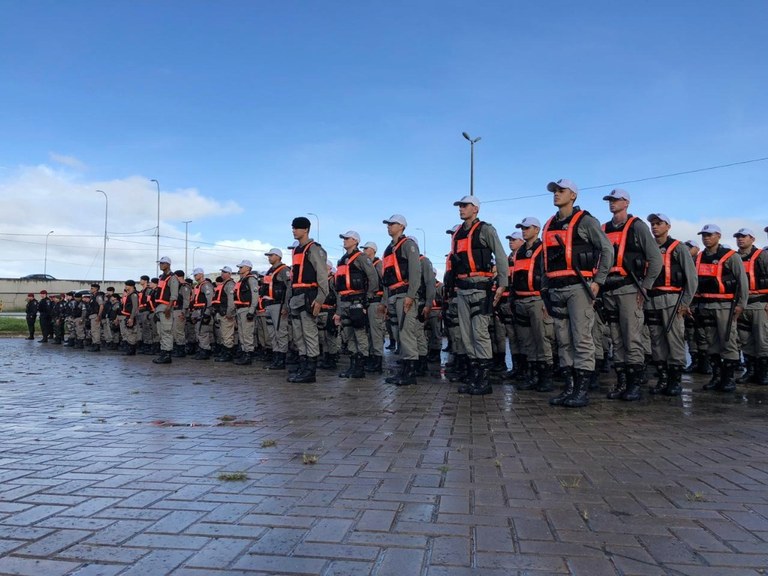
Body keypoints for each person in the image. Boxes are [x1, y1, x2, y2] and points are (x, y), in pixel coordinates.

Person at [541, 178, 614, 408]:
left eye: (561, 191)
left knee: (581, 339)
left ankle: (581, 390)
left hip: (579, 288)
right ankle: (569, 387)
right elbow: (545, 260)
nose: (556, 194)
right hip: (556, 288)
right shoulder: (549, 224)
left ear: (573, 195)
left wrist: (598, 281)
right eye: (554, 191)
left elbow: (606, 249)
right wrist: (545, 289)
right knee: (562, 340)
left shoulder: (586, 221)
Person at [600, 189, 663, 401]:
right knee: (616, 338)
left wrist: (645, 286)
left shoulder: (637, 226)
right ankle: (622, 382)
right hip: (609, 289)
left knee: (631, 337)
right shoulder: (603, 228)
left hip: (629, 288)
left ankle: (634, 384)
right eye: (610, 200)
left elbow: (656, 259)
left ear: (626, 202)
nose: (612, 204)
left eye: (616, 200)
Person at [449, 195, 509, 395]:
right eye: (460, 206)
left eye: (464, 206)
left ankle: (484, 380)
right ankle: (474, 375)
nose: (461, 209)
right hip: (462, 289)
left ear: (475, 209)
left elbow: (500, 256)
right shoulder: (457, 233)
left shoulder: (486, 230)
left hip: (481, 288)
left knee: (480, 334)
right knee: (466, 336)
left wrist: (502, 283)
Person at [645, 214, 698, 396]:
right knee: (656, 341)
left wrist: (685, 303)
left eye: (659, 223)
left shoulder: (678, 248)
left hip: (672, 300)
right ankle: (663, 378)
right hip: (651, 300)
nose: (654, 227)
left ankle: (675, 381)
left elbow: (691, 278)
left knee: (674, 340)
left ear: (668, 226)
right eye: (652, 224)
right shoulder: (647, 247)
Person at [693, 224, 748, 392]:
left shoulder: (731, 257)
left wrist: (741, 304)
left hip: (725, 306)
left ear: (718, 236)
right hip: (705, 305)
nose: (706, 238)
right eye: (703, 235)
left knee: (728, 341)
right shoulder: (699, 257)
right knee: (711, 343)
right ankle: (716, 376)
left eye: (709, 235)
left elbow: (742, 282)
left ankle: (728, 378)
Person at [511, 217, 555, 392]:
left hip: (537, 299)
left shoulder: (542, 249)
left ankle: (546, 378)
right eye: (522, 228)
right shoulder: (520, 252)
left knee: (542, 339)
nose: (524, 231)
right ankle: (532, 375)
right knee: (527, 341)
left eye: (527, 228)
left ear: (536, 229)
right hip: (521, 299)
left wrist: (547, 300)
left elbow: (548, 274)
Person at [379, 214, 422, 386]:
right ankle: (404, 368)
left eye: (392, 224)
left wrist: (410, 296)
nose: (389, 226)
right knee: (398, 333)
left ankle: (410, 372)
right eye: (388, 224)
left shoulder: (408, 245)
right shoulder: (389, 249)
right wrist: (385, 301)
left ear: (402, 227)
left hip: (404, 294)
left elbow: (415, 272)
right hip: (393, 295)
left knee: (406, 333)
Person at [286, 216, 329, 383]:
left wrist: (320, 299)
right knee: (298, 334)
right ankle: (304, 366)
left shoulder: (314, 249)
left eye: (297, 227)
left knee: (309, 334)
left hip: (309, 296)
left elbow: (322, 276)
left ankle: (310, 371)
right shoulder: (297, 250)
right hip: (297, 296)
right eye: (293, 227)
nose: (294, 230)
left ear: (306, 230)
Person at [334, 231, 380, 378]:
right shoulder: (342, 260)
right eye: (344, 239)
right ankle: (353, 364)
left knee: (359, 333)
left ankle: (360, 365)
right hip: (345, 300)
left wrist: (367, 297)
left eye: (347, 238)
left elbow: (373, 277)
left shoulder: (361, 257)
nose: (344, 241)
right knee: (348, 333)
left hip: (357, 300)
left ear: (355, 241)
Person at [733, 228, 768, 385]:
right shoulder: (733, 257)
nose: (740, 239)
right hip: (741, 305)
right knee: (745, 340)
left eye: (744, 237)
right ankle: (751, 370)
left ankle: (763, 373)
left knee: (762, 340)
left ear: (752, 239)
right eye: (738, 237)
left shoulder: (761, 256)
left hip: (759, 303)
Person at [260, 249, 291, 370]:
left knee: (280, 332)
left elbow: (289, 288)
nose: (269, 258)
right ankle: (276, 356)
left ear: (278, 256)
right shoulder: (270, 271)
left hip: (278, 304)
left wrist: (285, 306)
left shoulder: (284, 270)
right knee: (272, 333)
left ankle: (281, 358)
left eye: (271, 255)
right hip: (269, 304)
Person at [362, 241, 386, 372]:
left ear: (373, 250)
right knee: (370, 333)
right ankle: (372, 357)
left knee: (376, 332)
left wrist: (384, 302)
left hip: (377, 301)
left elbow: (385, 283)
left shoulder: (378, 264)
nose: (364, 251)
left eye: (366, 249)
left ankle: (378, 361)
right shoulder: (368, 265)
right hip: (369, 302)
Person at [152, 256, 180, 364]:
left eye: (163, 263)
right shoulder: (162, 277)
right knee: (161, 331)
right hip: (159, 307)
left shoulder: (172, 278)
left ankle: (167, 354)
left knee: (166, 331)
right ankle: (163, 352)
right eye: (160, 263)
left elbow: (174, 295)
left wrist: (169, 308)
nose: (160, 265)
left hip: (165, 307)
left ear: (168, 264)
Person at [232, 260, 260, 365]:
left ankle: (248, 354)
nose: (239, 269)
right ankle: (244, 352)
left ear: (247, 268)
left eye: (241, 267)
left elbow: (255, 296)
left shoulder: (251, 279)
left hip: (246, 309)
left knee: (247, 333)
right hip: (239, 309)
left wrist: (252, 311)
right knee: (242, 333)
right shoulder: (241, 280)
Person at [212, 266, 237, 362]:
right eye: (222, 272)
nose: (222, 274)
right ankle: (225, 352)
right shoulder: (224, 284)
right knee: (224, 334)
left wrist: (229, 312)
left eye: (225, 272)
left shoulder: (229, 284)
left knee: (227, 334)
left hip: (226, 313)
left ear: (229, 274)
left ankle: (228, 354)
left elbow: (231, 301)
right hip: (222, 312)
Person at [191, 267, 216, 360]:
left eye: (196, 274)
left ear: (201, 274)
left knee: (203, 332)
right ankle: (202, 349)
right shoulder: (198, 286)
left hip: (203, 311)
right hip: (198, 311)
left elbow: (210, 300)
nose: (195, 276)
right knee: (199, 331)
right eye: (194, 275)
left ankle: (205, 350)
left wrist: (207, 312)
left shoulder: (206, 285)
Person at [120, 280, 140, 355]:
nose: (125, 287)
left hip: (131, 316)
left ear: (131, 286)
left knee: (131, 332)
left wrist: (131, 318)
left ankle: (131, 350)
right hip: (128, 315)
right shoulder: (130, 294)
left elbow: (135, 307)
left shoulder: (133, 295)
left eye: (127, 285)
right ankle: (130, 349)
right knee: (128, 332)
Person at [87, 283, 105, 352]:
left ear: (96, 289)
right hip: (92, 315)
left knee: (96, 331)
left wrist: (99, 315)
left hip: (95, 315)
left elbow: (101, 306)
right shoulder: (93, 296)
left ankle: (96, 345)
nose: (90, 289)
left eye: (92, 288)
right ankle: (94, 344)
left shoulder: (98, 296)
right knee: (93, 331)